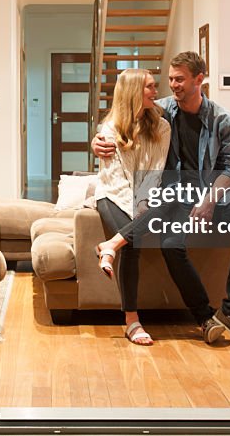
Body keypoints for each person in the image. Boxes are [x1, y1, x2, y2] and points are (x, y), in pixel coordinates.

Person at [92, 51, 230, 348]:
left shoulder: (222, 119)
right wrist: (97, 140)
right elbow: (123, 116)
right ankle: (204, 317)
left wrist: (210, 199)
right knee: (172, 245)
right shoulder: (162, 110)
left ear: (199, 79)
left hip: (212, 191)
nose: (173, 85)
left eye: (180, 79)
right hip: (175, 195)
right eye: (171, 79)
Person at [92, 68, 170, 346]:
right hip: (111, 195)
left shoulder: (162, 126)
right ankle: (132, 322)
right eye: (149, 87)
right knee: (134, 246)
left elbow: (155, 171)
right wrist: (136, 211)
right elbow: (115, 179)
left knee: (161, 207)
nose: (155, 90)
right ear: (134, 92)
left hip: (143, 196)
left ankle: (110, 245)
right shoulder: (110, 129)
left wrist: (143, 203)